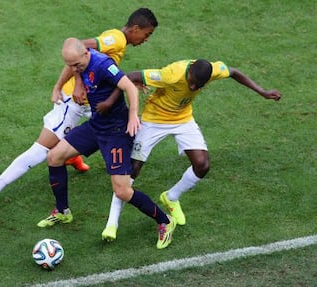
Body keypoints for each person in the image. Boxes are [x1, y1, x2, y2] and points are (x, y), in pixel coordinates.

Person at [0, 8, 158, 224]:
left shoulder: (116, 42)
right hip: (74, 101)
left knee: (103, 126)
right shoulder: (116, 39)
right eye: (146, 34)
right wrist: (72, 84)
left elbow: (100, 67)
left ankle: (71, 154)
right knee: (42, 149)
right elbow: (80, 49)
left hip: (92, 100)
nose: (145, 39)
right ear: (135, 29)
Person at [101, 59, 282, 241]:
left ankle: (171, 197)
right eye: (191, 82)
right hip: (154, 119)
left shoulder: (213, 70)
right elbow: (130, 76)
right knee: (132, 170)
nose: (194, 87)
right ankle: (112, 223)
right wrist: (110, 101)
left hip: (182, 119)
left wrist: (263, 92)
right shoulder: (171, 74)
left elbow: (234, 72)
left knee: (202, 165)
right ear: (189, 72)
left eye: (199, 85)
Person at [40, 37, 176, 249]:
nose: (74, 69)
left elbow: (129, 87)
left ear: (86, 53)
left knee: (122, 191)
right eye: (70, 65)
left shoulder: (103, 64)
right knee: (54, 157)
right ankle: (63, 212)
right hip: (97, 125)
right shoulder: (78, 62)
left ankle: (165, 221)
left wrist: (132, 116)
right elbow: (72, 68)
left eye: (77, 65)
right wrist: (58, 87)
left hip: (116, 132)